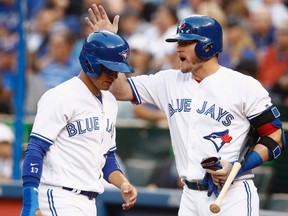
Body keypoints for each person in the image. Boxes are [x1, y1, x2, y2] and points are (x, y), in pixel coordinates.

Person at [85, 4, 286, 216]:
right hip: (189, 196)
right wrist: (108, 43)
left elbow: (275, 136)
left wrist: (238, 167)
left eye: (186, 42)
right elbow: (120, 90)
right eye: (178, 42)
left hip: (231, 195)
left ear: (207, 46)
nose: (178, 48)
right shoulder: (168, 81)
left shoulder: (243, 86)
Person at [20, 30, 137, 216]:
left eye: (118, 70)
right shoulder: (60, 96)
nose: (114, 76)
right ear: (90, 63)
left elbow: (107, 158)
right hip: (58, 196)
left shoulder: (110, 101)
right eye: (108, 68)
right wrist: (30, 200)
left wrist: (123, 182)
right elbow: (35, 149)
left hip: (89, 202)